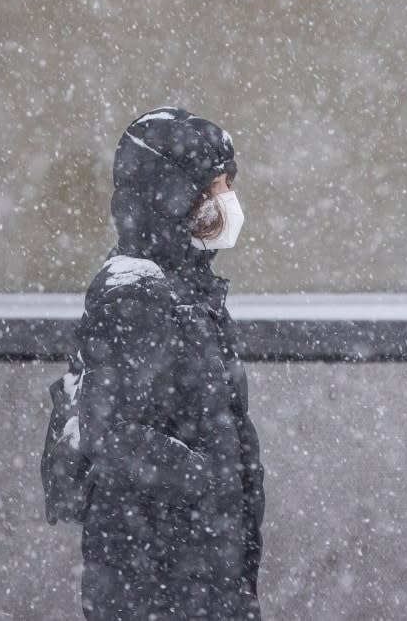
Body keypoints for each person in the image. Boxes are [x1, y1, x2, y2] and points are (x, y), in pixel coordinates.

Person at [76, 106, 265, 620]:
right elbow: (111, 430)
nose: (227, 203)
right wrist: (213, 482)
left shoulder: (185, 287)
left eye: (228, 186)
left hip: (196, 568)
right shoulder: (137, 293)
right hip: (158, 576)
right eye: (213, 188)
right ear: (170, 196)